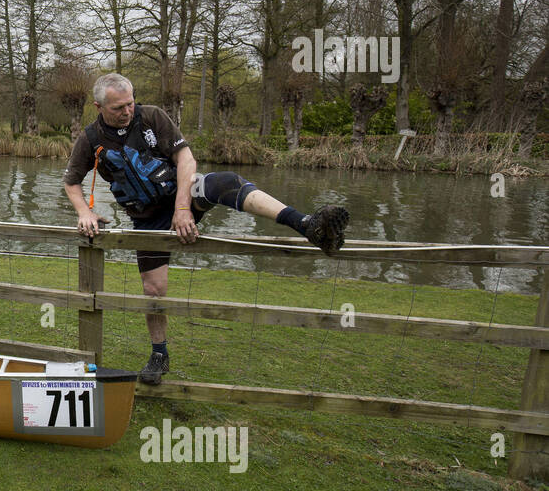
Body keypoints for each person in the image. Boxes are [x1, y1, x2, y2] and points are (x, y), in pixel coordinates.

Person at [63, 73, 349, 386]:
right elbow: (71, 181)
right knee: (153, 291)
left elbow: (185, 157)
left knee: (224, 182)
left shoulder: (153, 117)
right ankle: (159, 354)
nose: (127, 111)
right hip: (147, 219)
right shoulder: (90, 138)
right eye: (119, 107)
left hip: (182, 196)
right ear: (99, 106)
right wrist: (84, 211)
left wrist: (183, 207)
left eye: (130, 103)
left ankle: (307, 224)